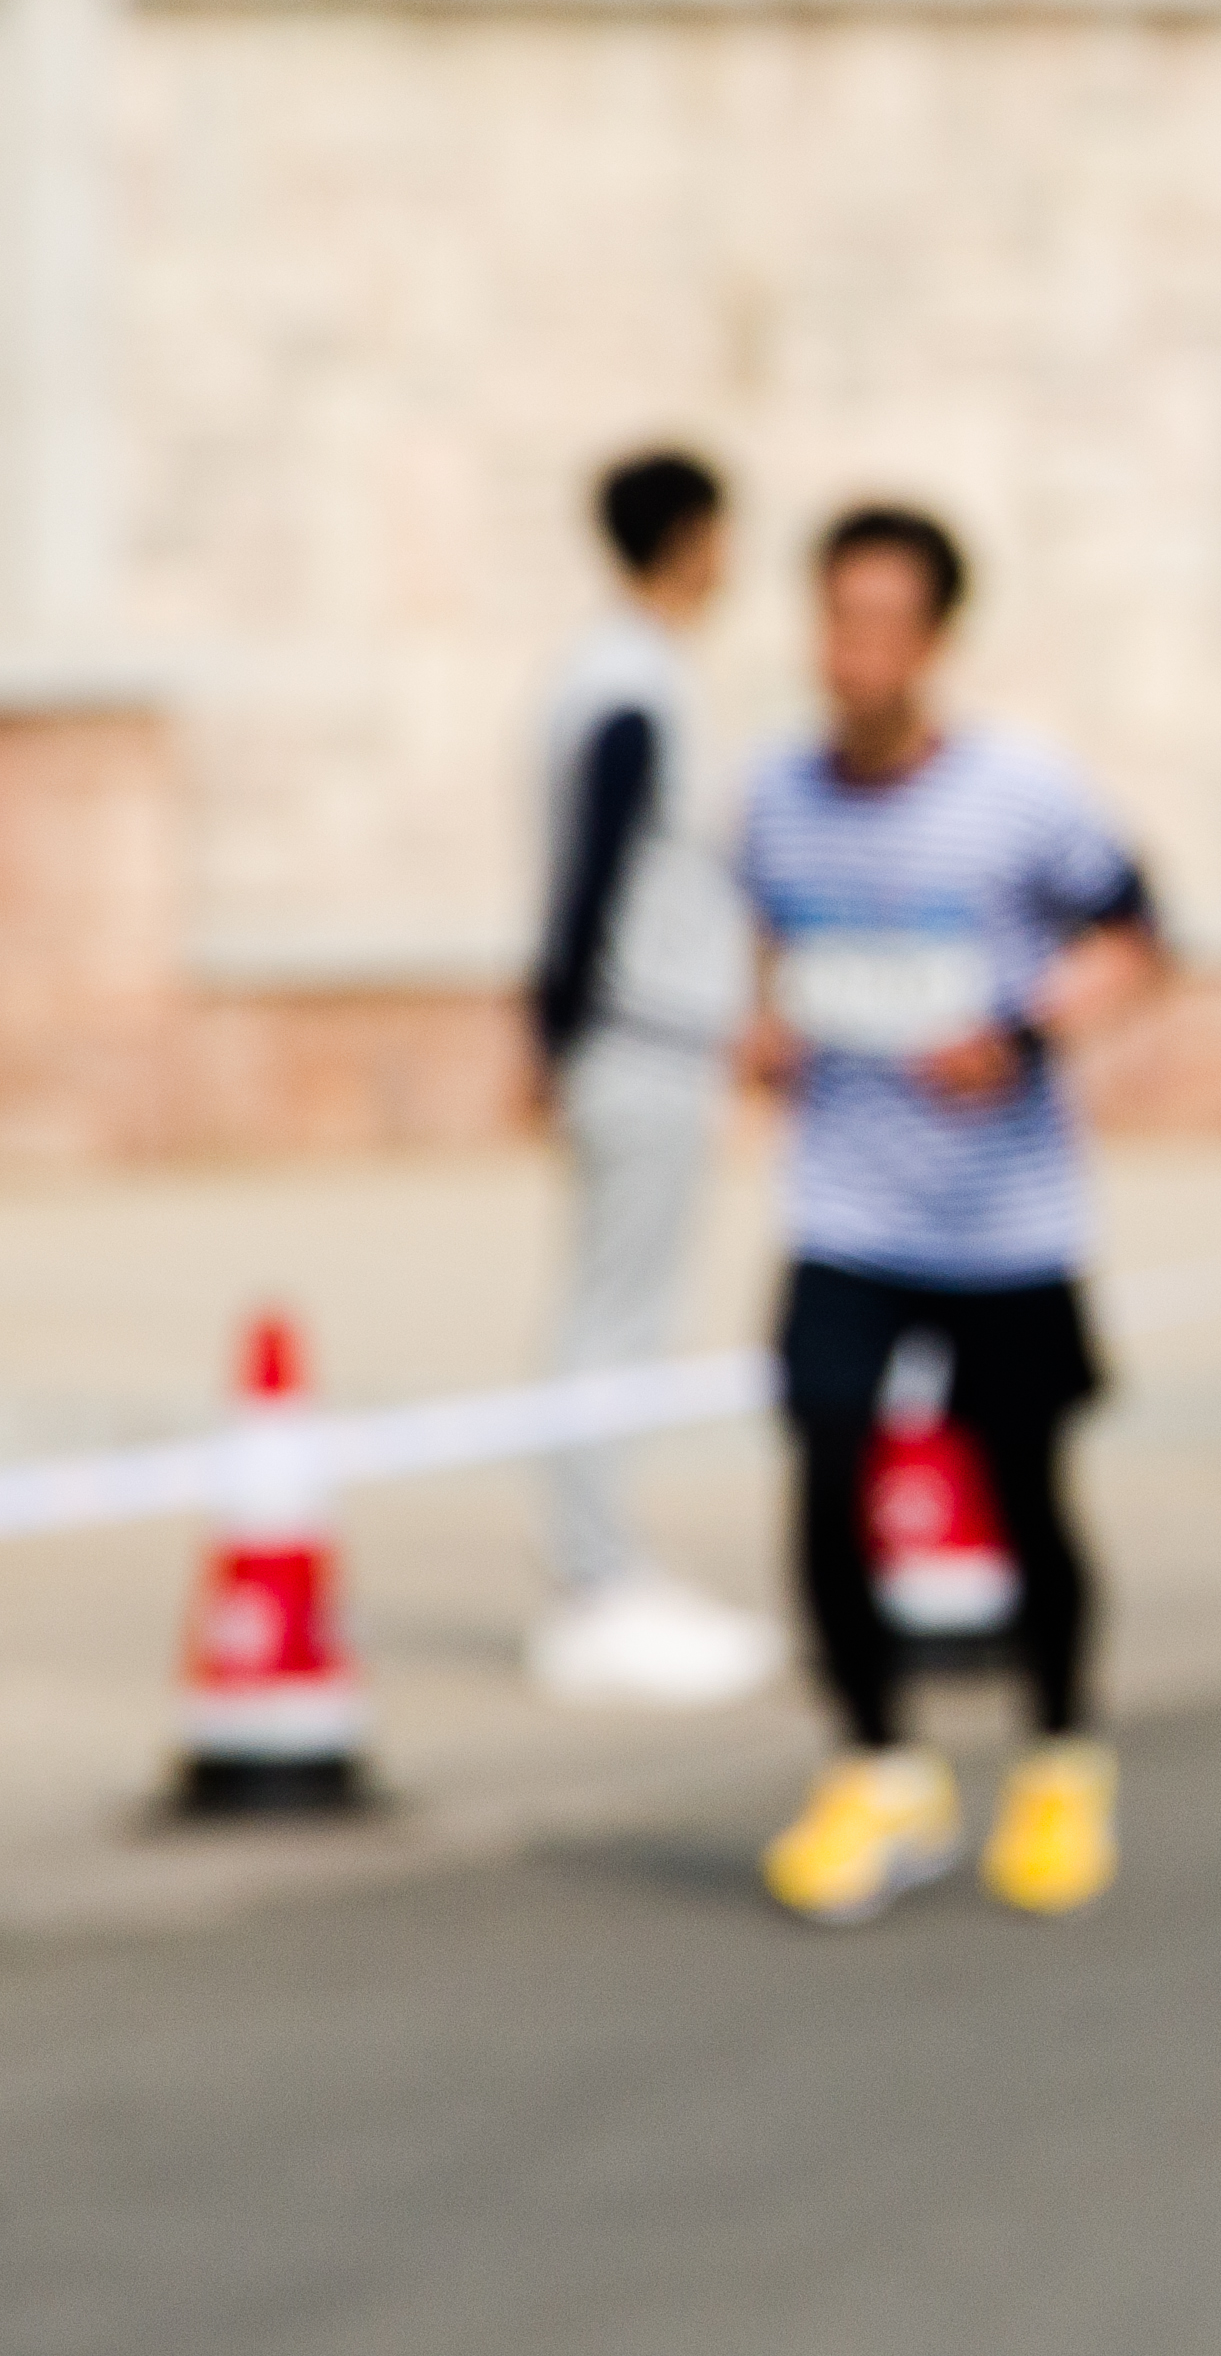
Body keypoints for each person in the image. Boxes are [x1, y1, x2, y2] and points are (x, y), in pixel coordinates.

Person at [742, 504, 1166, 1925]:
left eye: (881, 622)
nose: (852, 650)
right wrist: (768, 1029)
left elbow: (1137, 936)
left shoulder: (1020, 795)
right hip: (844, 1205)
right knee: (821, 1460)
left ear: (931, 641)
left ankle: (1058, 1754)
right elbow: (776, 940)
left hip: (1003, 1215)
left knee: (1028, 1490)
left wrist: (1023, 1039)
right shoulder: (777, 798)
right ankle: (876, 1763)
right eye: (833, 618)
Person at [522, 446, 783, 1709]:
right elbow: (596, 873)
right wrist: (559, 1029)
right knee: (611, 1316)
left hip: (643, 1038)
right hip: (638, 1040)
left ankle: (605, 1558)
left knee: (620, 1309)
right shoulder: (631, 688)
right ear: (686, 538)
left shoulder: (629, 676)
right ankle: (596, 1573)